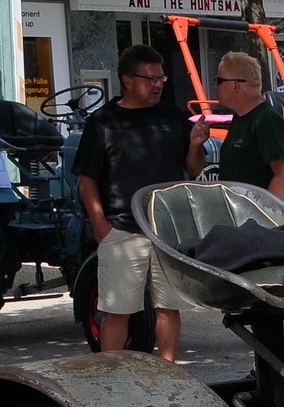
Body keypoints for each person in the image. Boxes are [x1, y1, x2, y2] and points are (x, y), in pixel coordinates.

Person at [74, 45, 207, 362]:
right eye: (150, 78)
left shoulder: (173, 117)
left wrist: (197, 145)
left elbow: (194, 168)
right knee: (117, 310)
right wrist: (101, 226)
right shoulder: (103, 122)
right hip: (122, 230)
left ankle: (168, 371)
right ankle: (112, 373)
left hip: (168, 229)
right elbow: (86, 181)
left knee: (168, 307)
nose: (158, 84)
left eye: (160, 77)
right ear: (127, 80)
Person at [193, 51, 284, 199]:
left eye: (218, 80)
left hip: (254, 219)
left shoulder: (266, 120)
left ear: (234, 85)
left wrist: (263, 214)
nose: (215, 86)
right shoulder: (242, 116)